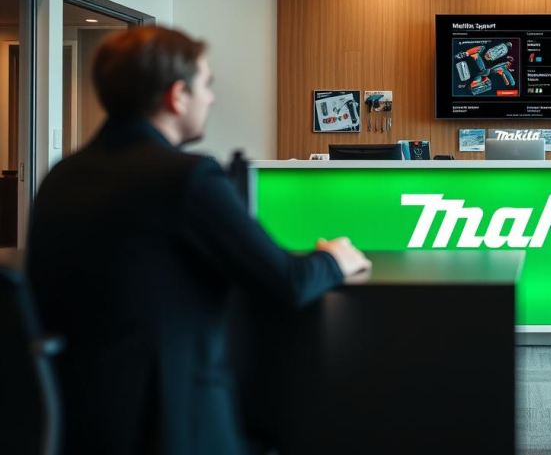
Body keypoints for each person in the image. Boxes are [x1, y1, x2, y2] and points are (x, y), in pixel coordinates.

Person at [26, 26, 371, 455]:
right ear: (176, 96)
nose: (210, 98)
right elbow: (287, 281)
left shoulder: (61, 176)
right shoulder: (188, 178)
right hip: (174, 424)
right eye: (206, 85)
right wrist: (334, 257)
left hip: (79, 425)